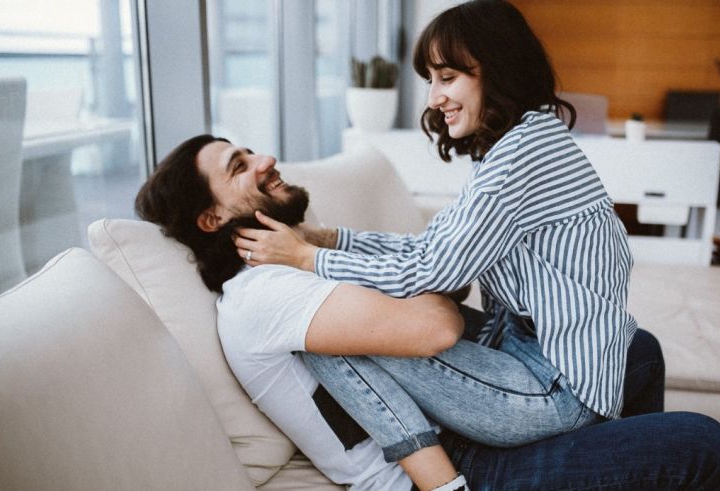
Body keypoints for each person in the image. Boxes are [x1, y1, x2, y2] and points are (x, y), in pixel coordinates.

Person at [135, 133, 720, 490]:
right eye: (239, 168)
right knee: (704, 446)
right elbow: (439, 321)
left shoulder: (291, 263)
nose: (264, 160)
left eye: (250, 151)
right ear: (212, 220)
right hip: (448, 457)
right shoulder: (267, 295)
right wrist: (394, 274)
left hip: (460, 411)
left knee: (638, 349)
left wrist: (327, 247)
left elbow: (438, 286)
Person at [237, 0, 633, 435]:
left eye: (448, 77)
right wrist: (328, 240)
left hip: (558, 388)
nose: (433, 98)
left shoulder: (520, 158)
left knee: (326, 332)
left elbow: (433, 272)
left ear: (499, 69)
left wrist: (304, 260)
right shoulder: (518, 143)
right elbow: (431, 247)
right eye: (430, 80)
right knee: (346, 322)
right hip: (544, 354)